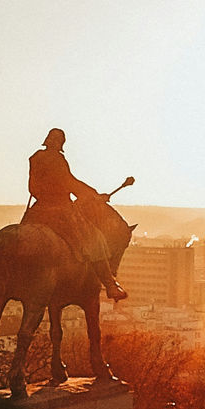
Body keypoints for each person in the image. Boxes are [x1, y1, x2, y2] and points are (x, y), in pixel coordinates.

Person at [26, 128, 126, 300]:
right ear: (60, 143)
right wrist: (93, 195)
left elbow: (33, 187)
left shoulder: (35, 158)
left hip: (37, 210)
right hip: (59, 209)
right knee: (96, 239)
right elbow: (68, 182)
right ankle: (110, 285)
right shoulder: (57, 159)